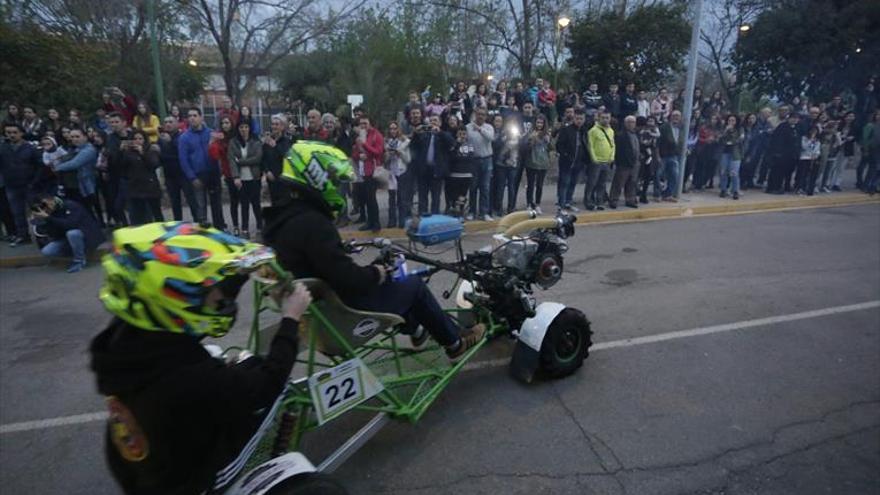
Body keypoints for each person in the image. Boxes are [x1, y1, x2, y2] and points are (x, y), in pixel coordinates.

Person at [90, 221, 314, 494]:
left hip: (141, 473)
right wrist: (291, 319)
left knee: (241, 364)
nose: (221, 296)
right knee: (277, 388)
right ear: (176, 299)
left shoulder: (121, 340)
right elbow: (268, 383)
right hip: (192, 481)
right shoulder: (193, 376)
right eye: (212, 289)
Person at [261, 142, 486, 361]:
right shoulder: (314, 223)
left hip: (318, 315)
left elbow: (318, 259)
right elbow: (349, 279)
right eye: (332, 179)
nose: (338, 186)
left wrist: (350, 257)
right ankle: (455, 343)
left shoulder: (280, 223)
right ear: (315, 176)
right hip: (345, 315)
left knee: (393, 283)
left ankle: (417, 331)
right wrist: (377, 272)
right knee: (413, 285)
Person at [31, 194, 104, 272]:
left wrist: (49, 218)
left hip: (88, 236)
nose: (45, 207)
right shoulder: (49, 214)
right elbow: (53, 235)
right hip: (68, 240)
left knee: (72, 233)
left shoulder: (70, 205)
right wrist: (43, 220)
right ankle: (78, 252)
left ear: (52, 199)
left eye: (45, 204)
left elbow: (71, 225)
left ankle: (79, 261)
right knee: (47, 251)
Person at [180, 108, 225, 228]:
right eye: (189, 116)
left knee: (217, 204)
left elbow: (220, 152)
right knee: (200, 205)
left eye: (195, 115)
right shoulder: (184, 138)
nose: (192, 118)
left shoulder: (211, 133)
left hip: (213, 173)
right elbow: (183, 160)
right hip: (197, 175)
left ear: (201, 117)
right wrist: (192, 177)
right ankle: (202, 230)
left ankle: (219, 228)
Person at [1, 123, 43, 246]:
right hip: (11, 185)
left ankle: (42, 234)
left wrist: (35, 181)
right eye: (9, 132)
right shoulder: (3, 148)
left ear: (21, 133)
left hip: (29, 185)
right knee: (17, 212)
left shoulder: (30, 148)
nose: (12, 135)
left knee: (37, 211)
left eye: (14, 132)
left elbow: (40, 166)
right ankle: (23, 236)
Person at [226, 119, 264, 239]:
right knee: (244, 205)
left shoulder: (256, 141)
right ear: (238, 129)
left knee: (256, 204)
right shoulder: (233, 142)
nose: (243, 130)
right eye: (241, 127)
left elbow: (257, 158)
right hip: (241, 179)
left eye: (246, 127)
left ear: (249, 128)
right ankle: (245, 229)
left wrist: (241, 161)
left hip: (254, 178)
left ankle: (259, 227)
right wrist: (236, 177)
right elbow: (231, 160)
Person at [410, 114, 452, 217]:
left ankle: (435, 217)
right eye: (431, 120)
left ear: (440, 123)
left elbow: (451, 143)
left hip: (436, 171)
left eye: (435, 120)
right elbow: (413, 146)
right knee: (422, 197)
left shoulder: (443, 134)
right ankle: (423, 217)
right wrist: (415, 133)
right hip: (423, 171)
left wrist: (440, 132)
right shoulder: (424, 135)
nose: (433, 122)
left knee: (436, 197)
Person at [54, 128, 101, 219]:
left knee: (89, 209)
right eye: (72, 137)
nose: (75, 139)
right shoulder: (76, 149)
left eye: (77, 136)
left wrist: (57, 167)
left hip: (88, 184)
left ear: (85, 137)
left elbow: (75, 164)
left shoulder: (88, 150)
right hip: (79, 183)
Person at [158, 116, 198, 221]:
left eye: (170, 122)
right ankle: (178, 224)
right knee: (175, 203)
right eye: (166, 122)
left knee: (192, 201)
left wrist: (170, 142)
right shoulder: (161, 139)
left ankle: (198, 222)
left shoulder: (182, 137)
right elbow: (160, 156)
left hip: (183, 174)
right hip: (169, 175)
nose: (168, 124)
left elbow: (182, 155)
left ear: (176, 124)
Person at [122, 130, 163, 225]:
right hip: (135, 187)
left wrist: (143, 153)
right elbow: (122, 168)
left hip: (150, 187)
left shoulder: (151, 150)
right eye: (135, 139)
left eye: (140, 138)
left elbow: (154, 164)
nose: (137, 141)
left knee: (155, 213)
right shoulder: (128, 153)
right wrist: (121, 152)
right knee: (138, 215)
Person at [351, 115, 384, 232]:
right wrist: (359, 155)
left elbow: (379, 152)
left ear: (370, 124)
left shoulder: (376, 135)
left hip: (372, 171)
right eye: (361, 124)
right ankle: (369, 222)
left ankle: (376, 223)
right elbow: (354, 154)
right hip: (361, 171)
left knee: (371, 198)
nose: (363, 126)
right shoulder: (360, 136)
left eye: (365, 123)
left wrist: (364, 145)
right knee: (364, 198)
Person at [209, 117, 239, 234]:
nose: (225, 125)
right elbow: (215, 155)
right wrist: (212, 142)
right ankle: (235, 225)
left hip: (242, 171)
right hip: (229, 173)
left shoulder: (237, 136)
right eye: (223, 123)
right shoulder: (219, 139)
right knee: (234, 201)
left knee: (246, 201)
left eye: (227, 122)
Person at [555, 109, 589, 212]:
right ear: (574, 118)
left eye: (581, 119)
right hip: (567, 162)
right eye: (577, 118)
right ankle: (561, 205)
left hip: (578, 162)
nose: (579, 121)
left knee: (573, 183)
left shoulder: (584, 131)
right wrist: (565, 155)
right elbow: (559, 145)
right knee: (564, 182)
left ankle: (568, 202)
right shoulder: (566, 130)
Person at [465, 108, 495, 221]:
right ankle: (472, 211)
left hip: (487, 159)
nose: (480, 116)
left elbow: (491, 138)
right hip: (473, 160)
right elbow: (466, 142)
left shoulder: (489, 127)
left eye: (483, 114)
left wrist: (480, 129)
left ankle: (484, 212)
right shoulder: (468, 127)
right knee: (473, 187)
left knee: (485, 187)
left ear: (486, 116)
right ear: (475, 115)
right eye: (478, 114)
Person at [262, 114, 295, 206]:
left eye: (277, 124)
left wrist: (276, 146)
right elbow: (263, 158)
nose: (274, 127)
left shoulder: (286, 141)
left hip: (283, 178)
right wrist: (267, 171)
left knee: (284, 205)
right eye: (273, 124)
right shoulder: (268, 141)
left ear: (282, 126)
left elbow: (287, 156)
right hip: (271, 178)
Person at [585, 111, 615, 211]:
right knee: (592, 183)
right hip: (597, 161)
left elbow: (613, 144)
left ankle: (600, 201)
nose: (605, 120)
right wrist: (594, 158)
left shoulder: (611, 130)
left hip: (607, 161)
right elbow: (591, 146)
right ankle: (588, 201)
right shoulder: (593, 131)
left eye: (607, 118)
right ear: (599, 118)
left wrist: (612, 157)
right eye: (603, 117)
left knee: (602, 183)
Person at [765, 113, 801, 194]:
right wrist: (777, 152)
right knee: (776, 171)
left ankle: (783, 186)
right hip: (780, 153)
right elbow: (777, 140)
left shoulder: (796, 128)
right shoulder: (783, 126)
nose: (795, 120)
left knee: (787, 171)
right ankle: (772, 188)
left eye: (796, 119)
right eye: (793, 118)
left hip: (790, 154)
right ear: (789, 118)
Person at [384, 121, 411, 228]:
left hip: (401, 172)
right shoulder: (386, 142)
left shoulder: (404, 141)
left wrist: (401, 153)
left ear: (398, 129)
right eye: (391, 129)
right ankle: (391, 220)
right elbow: (384, 160)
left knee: (401, 198)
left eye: (395, 128)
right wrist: (389, 155)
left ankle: (402, 220)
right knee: (391, 199)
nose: (393, 131)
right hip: (391, 173)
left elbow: (408, 160)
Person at [609, 115, 640, 208]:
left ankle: (630, 200)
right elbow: (618, 150)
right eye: (629, 122)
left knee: (632, 183)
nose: (631, 124)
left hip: (635, 163)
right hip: (624, 163)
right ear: (625, 123)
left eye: (633, 122)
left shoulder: (635, 134)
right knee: (618, 183)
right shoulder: (620, 135)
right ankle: (613, 200)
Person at [657, 110, 685, 201]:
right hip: (663, 155)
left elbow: (682, 141)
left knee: (674, 175)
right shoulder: (664, 127)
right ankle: (657, 194)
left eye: (678, 116)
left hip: (674, 155)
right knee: (659, 174)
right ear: (671, 116)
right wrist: (657, 155)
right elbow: (658, 142)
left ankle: (668, 194)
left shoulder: (682, 128)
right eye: (674, 115)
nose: (676, 117)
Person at [446, 127, 474, 217]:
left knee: (463, 195)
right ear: (457, 134)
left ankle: (460, 212)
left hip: (466, 174)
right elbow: (451, 157)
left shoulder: (469, 145)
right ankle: (454, 211)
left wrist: (460, 158)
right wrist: (457, 144)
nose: (462, 136)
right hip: (454, 174)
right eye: (460, 134)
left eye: (464, 134)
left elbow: (470, 158)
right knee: (454, 195)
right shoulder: (453, 144)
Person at [525, 115, 550, 213]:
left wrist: (549, 140)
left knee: (540, 185)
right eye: (538, 122)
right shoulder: (530, 133)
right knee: (530, 184)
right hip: (532, 162)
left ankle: (538, 204)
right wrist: (531, 140)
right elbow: (526, 147)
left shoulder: (546, 134)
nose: (539, 125)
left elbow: (551, 147)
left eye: (541, 123)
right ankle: (529, 204)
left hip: (543, 162)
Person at [718, 115, 745, 200]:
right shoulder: (724, 129)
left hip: (735, 154)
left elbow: (740, 139)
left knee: (734, 173)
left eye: (733, 120)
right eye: (729, 120)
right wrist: (726, 130)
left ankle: (735, 190)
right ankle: (723, 189)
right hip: (725, 153)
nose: (731, 122)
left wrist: (732, 138)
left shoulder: (740, 129)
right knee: (723, 172)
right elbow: (720, 138)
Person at [637, 116, 661, 204]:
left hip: (652, 155)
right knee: (639, 175)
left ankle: (644, 194)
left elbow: (657, 143)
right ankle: (636, 192)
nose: (651, 123)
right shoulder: (642, 130)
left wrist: (657, 156)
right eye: (649, 121)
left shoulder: (656, 131)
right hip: (643, 154)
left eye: (652, 121)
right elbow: (641, 141)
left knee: (649, 175)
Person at [797, 125, 821, 195]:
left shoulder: (817, 140)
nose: (814, 132)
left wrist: (816, 154)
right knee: (803, 174)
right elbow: (804, 146)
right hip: (804, 157)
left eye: (815, 131)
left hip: (813, 158)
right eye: (812, 131)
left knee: (812, 174)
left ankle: (809, 188)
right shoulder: (804, 138)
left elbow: (818, 148)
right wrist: (811, 139)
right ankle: (800, 188)